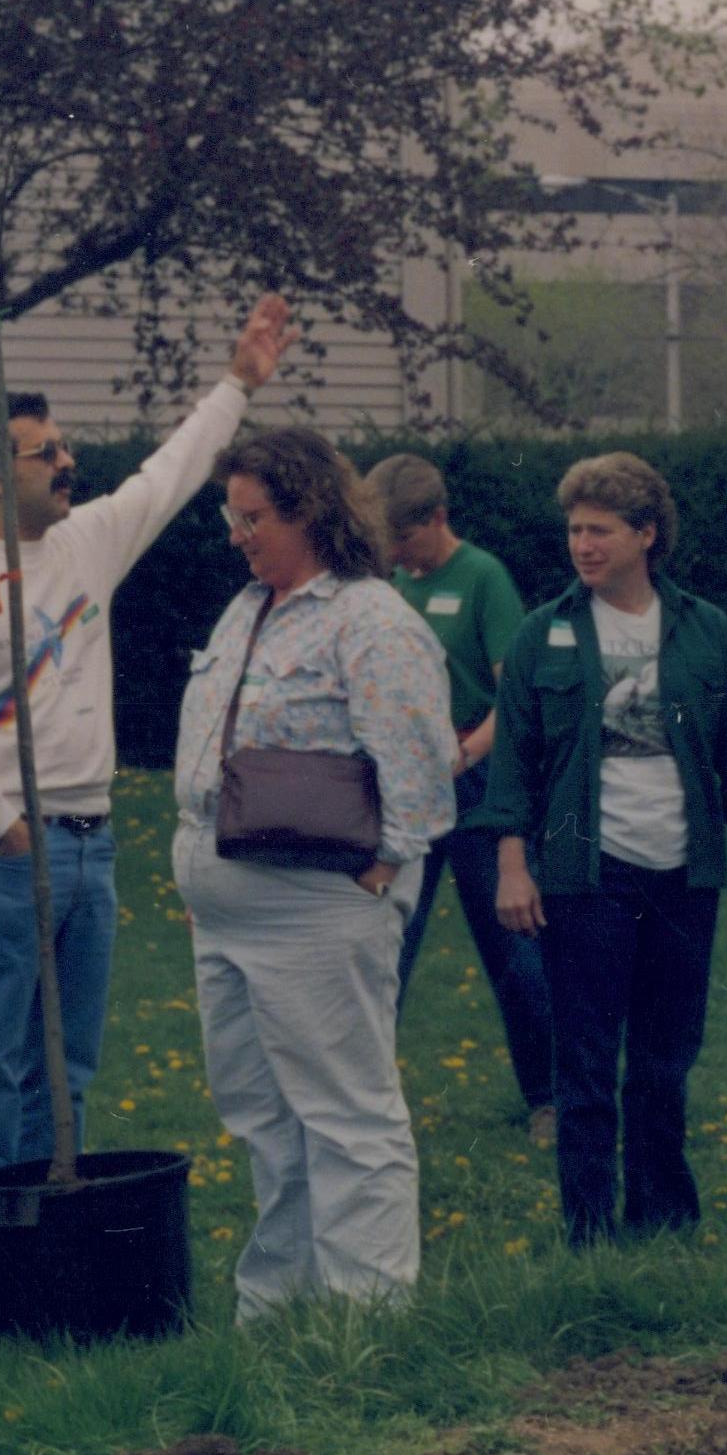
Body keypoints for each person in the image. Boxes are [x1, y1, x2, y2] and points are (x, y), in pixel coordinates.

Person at [0, 297, 288, 1313]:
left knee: (66, 1073)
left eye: (64, 448)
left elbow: (172, 469)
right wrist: (0, 819)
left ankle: (47, 1253)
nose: (67, 464)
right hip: (6, 855)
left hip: (94, 847)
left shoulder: (89, 544)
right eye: (44, 453)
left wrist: (239, 379)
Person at [170, 428, 457, 1317]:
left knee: (345, 1114)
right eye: (232, 515)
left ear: (310, 511)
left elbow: (418, 764)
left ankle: (369, 1318)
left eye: (252, 516)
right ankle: (282, 1310)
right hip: (229, 911)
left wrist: (382, 871)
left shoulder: (369, 619)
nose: (237, 533)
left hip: (316, 906)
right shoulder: (247, 607)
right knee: (265, 1118)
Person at [480, 454, 727, 1243]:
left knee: (664, 1059)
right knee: (585, 1063)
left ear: (646, 534)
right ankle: (588, 1234)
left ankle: (663, 1225)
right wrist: (513, 863)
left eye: (600, 529)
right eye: (574, 529)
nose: (582, 544)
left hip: (683, 871)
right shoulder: (540, 634)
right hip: (584, 873)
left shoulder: (705, 630)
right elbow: (513, 758)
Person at [369, 453, 558, 1140]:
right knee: (386, 940)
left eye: (406, 539)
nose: (396, 554)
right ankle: (365, 1102)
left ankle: (551, 1097)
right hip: (405, 782)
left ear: (439, 518)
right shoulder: (388, 583)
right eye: (386, 543)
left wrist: (464, 753)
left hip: (477, 777)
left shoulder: (482, 577)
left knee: (513, 942)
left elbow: (517, 696)